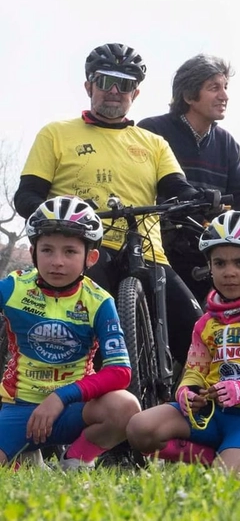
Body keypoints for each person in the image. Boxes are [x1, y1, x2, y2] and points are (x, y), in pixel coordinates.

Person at [15, 43, 204, 370]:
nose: (114, 91)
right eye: (104, 82)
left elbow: (177, 187)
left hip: (147, 252)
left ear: (136, 93)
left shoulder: (154, 143)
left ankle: (180, 405)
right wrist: (62, 216)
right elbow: (27, 196)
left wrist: (201, 197)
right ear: (89, 85)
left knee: (197, 328)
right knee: (92, 331)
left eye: (125, 84)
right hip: (84, 249)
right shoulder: (56, 134)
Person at [126, 210, 240, 471]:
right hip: (209, 415)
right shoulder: (206, 322)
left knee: (226, 479)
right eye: (219, 263)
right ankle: (226, 455)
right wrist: (187, 392)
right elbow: (194, 372)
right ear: (209, 267)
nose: (229, 272)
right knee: (138, 429)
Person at [0, 197, 140, 469]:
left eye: (70, 252)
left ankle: (77, 459)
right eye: (47, 250)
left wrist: (61, 397)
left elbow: (120, 372)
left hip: (74, 409)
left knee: (126, 407)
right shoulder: (15, 286)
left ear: (91, 257)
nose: (57, 262)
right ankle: (26, 455)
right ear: (33, 252)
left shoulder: (99, 301)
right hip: (20, 409)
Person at [138, 54, 240, 298]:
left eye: (225, 87)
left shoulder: (227, 143)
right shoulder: (152, 131)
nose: (224, 95)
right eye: (214, 88)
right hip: (160, 249)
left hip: (210, 251)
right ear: (189, 95)